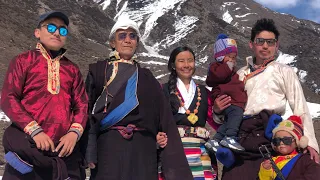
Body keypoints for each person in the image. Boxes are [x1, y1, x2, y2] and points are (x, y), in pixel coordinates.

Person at [84, 17, 193, 180]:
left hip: (144, 151)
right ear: (112, 42)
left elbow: (163, 118)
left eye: (132, 36)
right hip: (108, 149)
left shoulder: (147, 77)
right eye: (122, 36)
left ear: (137, 43)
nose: (128, 40)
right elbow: (86, 112)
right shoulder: (99, 71)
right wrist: (89, 151)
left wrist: (161, 140)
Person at [212, 18, 319, 179]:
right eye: (260, 41)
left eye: (270, 42)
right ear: (251, 44)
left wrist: (310, 143)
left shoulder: (284, 71)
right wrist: (217, 111)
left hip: (268, 137)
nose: (265, 46)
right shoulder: (239, 74)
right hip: (238, 137)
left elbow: (300, 107)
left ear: (277, 45)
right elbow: (225, 115)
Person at [0, 11, 88, 180]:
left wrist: (73, 134)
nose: (57, 33)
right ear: (37, 32)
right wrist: (35, 131)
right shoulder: (23, 61)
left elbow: (81, 104)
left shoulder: (72, 69)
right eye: (51, 27)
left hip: (62, 150)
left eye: (63, 30)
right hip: (28, 146)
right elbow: (8, 98)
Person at [157, 46, 217, 180]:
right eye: (181, 61)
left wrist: (218, 110)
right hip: (173, 151)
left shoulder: (204, 92)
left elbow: (214, 121)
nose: (186, 65)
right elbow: (155, 120)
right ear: (173, 65)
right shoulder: (163, 90)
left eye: (190, 60)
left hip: (200, 153)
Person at [205, 34, 247, 152]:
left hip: (231, 99)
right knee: (236, 114)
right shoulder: (218, 68)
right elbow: (217, 76)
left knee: (229, 121)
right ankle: (230, 137)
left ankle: (216, 139)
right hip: (227, 99)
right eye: (229, 56)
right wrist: (227, 67)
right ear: (220, 56)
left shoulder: (230, 70)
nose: (231, 60)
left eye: (234, 57)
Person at [259, 115, 320, 179]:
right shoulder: (270, 161)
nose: (281, 143)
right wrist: (265, 171)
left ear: (297, 142)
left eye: (286, 140)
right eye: (277, 140)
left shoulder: (305, 160)